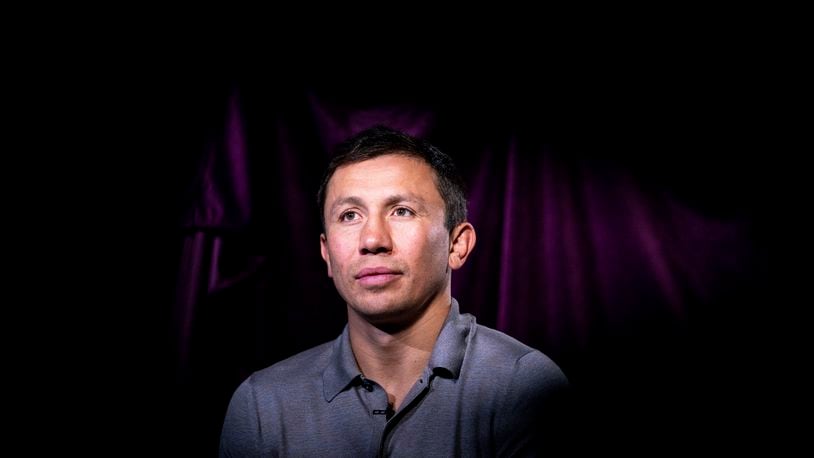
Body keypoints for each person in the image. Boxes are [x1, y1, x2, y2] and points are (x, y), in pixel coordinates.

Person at [219, 125, 570, 456]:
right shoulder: (262, 406)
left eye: (401, 211)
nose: (373, 240)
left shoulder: (523, 388)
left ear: (457, 244)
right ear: (327, 253)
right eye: (350, 216)